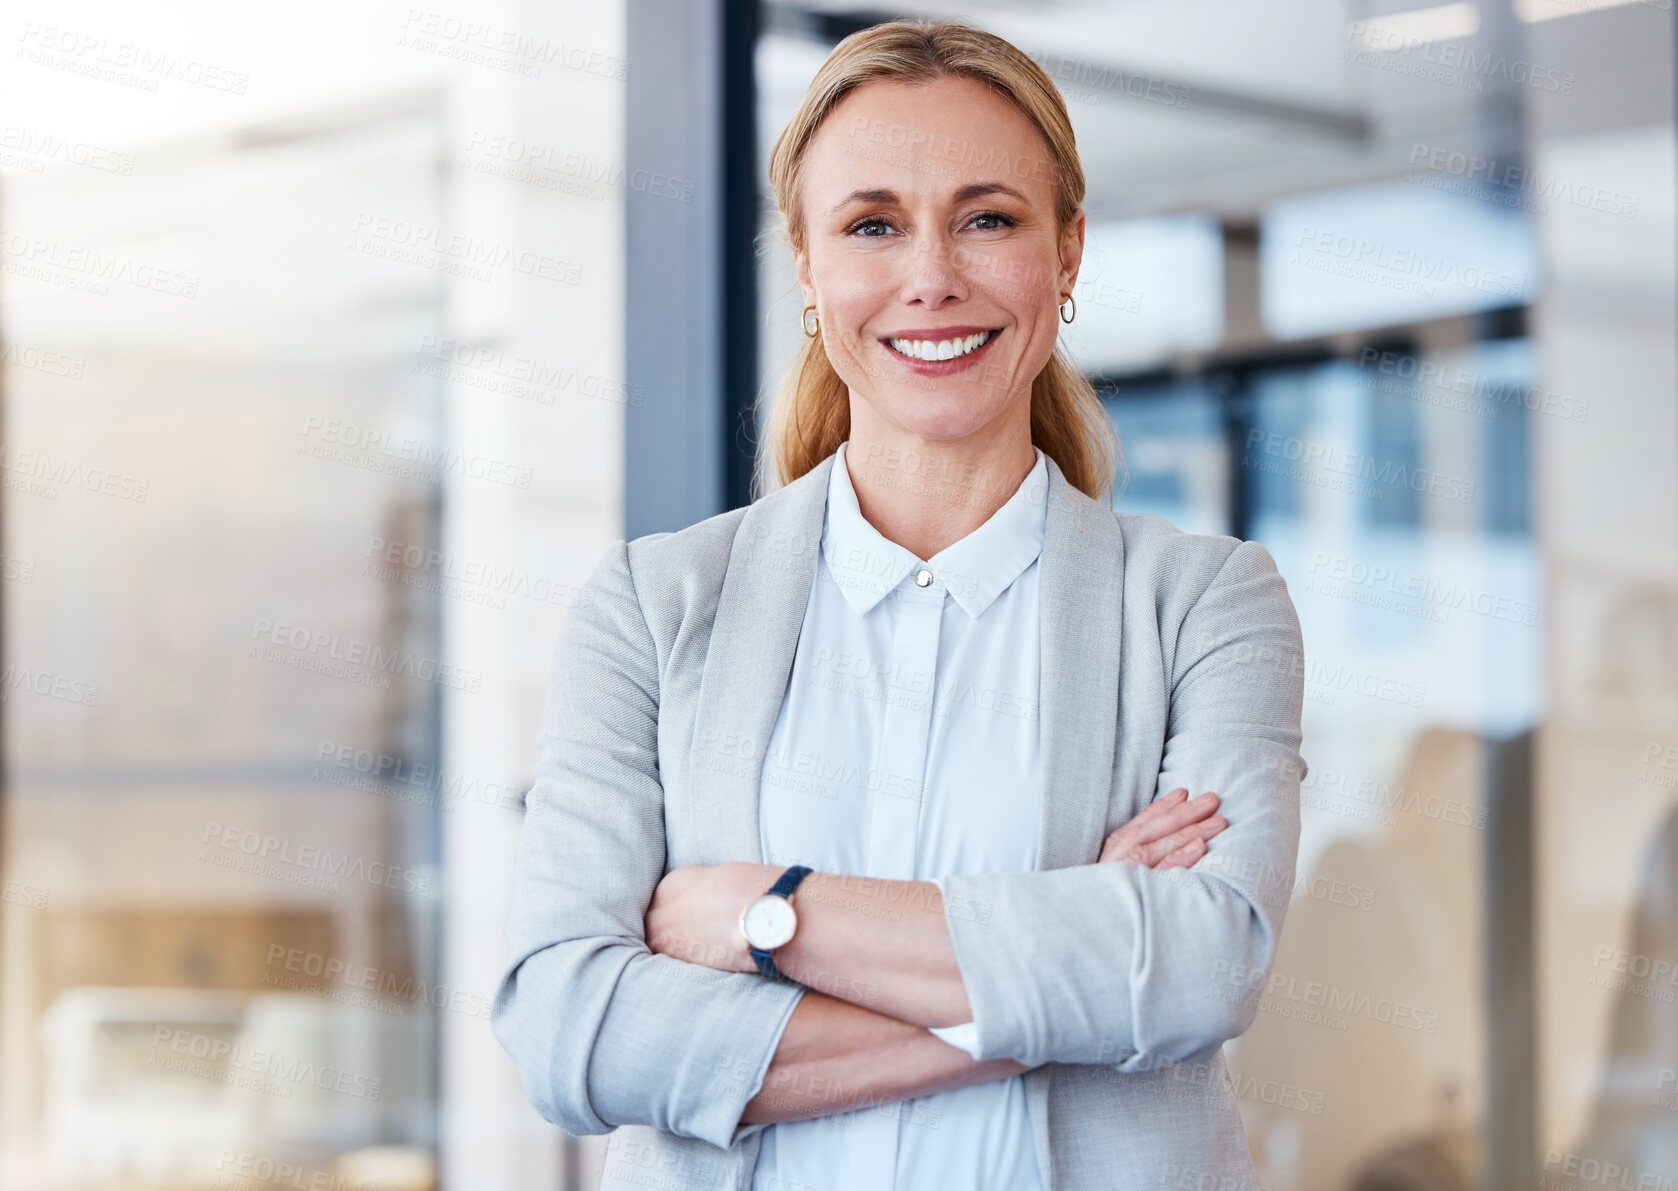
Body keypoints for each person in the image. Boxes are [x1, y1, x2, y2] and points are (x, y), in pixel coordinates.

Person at [492, 17, 1306, 1191]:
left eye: (988, 218)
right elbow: (573, 1033)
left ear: (1066, 253)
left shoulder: (1203, 606)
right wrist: (1058, 971)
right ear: (808, 266)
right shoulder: (650, 605)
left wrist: (766, 916)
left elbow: (1199, 967)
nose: (932, 275)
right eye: (873, 224)